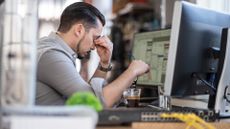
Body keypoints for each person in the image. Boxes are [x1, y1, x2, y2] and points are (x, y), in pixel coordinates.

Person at [36, 2, 149, 108]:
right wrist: (132, 71)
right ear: (79, 30)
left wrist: (104, 64)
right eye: (94, 38)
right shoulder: (51, 55)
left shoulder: (57, 50)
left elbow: (87, 99)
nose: (94, 47)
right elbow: (96, 103)